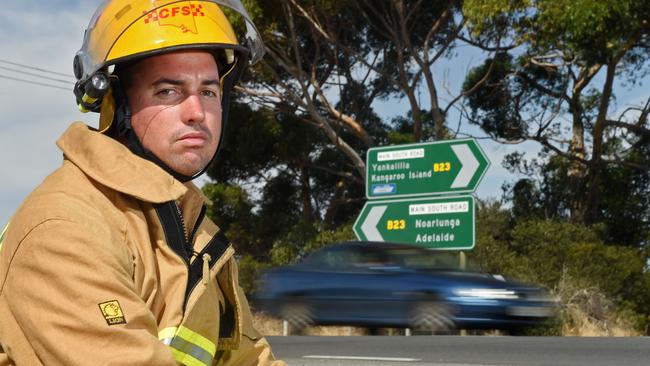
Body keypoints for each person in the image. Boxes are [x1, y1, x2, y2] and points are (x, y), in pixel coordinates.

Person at [0, 1, 285, 365]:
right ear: (115, 103)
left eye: (209, 92)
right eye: (169, 91)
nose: (197, 112)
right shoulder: (65, 227)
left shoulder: (194, 231)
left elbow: (251, 358)